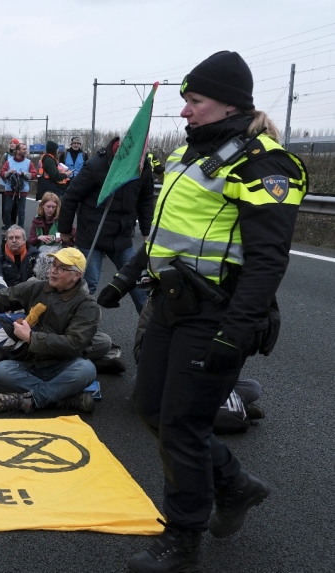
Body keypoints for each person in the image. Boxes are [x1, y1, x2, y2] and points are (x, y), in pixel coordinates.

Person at [109, 51, 307, 573]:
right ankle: (236, 485)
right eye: (185, 101)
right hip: (170, 304)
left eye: (194, 101)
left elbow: (267, 263)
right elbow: (165, 235)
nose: (185, 112)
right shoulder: (190, 155)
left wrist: (235, 335)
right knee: (150, 408)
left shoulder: (264, 164)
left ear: (228, 104)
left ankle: (183, 535)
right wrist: (129, 275)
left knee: (181, 424)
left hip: (215, 316)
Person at [0, 248, 98, 414]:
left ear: (77, 275)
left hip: (64, 364)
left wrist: (31, 338)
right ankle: (62, 398)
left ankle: (29, 400)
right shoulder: (36, 287)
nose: (53, 270)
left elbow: (74, 343)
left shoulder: (87, 305)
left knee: (86, 370)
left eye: (62, 268)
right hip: (31, 362)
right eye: (54, 264)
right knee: (1, 371)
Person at [59, 136, 155, 314]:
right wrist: (64, 230)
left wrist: (146, 230)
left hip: (122, 236)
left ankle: (149, 334)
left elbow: (146, 200)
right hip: (92, 234)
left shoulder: (142, 167)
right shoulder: (96, 165)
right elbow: (71, 196)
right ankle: (77, 331)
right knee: (89, 284)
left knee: (137, 284)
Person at [0, 225, 39, 291]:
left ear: (24, 240)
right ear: (6, 240)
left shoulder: (35, 254)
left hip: (28, 292)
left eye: (17, 237)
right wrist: (8, 295)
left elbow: (41, 278)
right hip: (5, 293)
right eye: (10, 238)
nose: (14, 241)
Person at [0, 142, 37, 232]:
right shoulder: (9, 162)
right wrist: (9, 172)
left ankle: (20, 231)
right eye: (23, 149)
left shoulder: (28, 162)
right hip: (10, 190)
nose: (25, 151)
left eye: (26, 149)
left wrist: (24, 174)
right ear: (18, 151)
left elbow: (34, 174)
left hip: (22, 190)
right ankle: (8, 230)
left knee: (21, 212)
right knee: (7, 211)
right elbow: (2, 173)